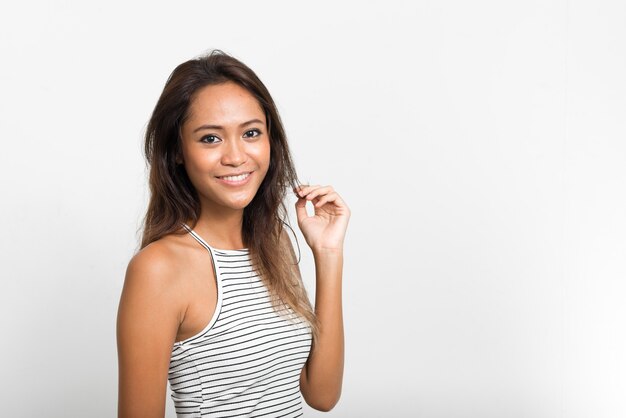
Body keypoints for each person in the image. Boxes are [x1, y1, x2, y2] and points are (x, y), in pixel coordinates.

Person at [116, 50, 350, 418]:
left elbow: (322, 395)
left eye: (251, 133)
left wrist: (329, 253)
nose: (237, 156)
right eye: (211, 138)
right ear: (177, 151)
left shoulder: (274, 243)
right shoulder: (158, 269)